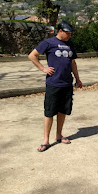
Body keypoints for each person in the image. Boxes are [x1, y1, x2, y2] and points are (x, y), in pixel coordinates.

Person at [28, 20, 83, 152]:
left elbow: (73, 63)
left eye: (70, 33)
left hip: (67, 83)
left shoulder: (70, 44)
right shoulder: (49, 43)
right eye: (67, 33)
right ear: (60, 31)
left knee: (63, 111)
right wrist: (43, 68)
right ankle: (46, 140)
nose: (69, 36)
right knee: (49, 111)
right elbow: (32, 55)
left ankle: (59, 135)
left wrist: (77, 78)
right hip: (54, 83)